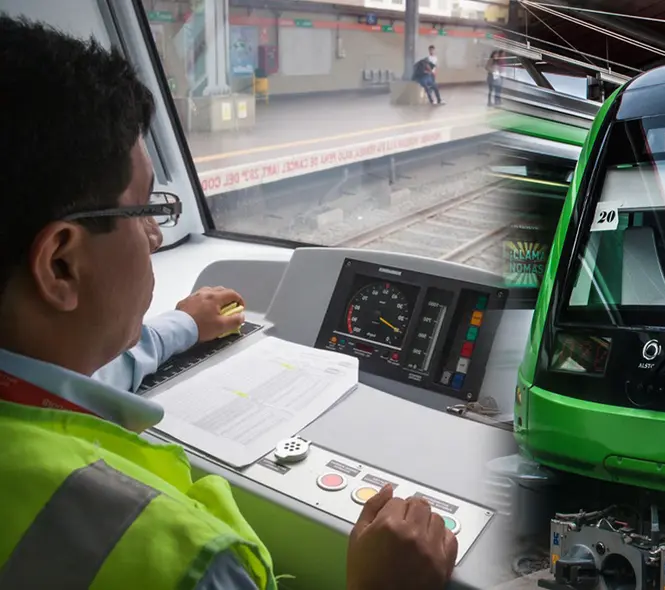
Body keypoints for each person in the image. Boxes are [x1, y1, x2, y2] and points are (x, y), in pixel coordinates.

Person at [0, 15, 457, 590]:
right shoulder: (188, 559)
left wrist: (180, 327)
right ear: (60, 264)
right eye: (145, 210)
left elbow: (89, 375)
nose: (157, 238)